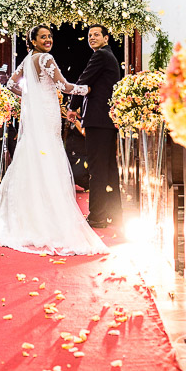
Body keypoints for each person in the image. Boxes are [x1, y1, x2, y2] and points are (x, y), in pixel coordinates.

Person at [0, 24, 106, 255]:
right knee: (49, 157)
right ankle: (48, 218)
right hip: (47, 115)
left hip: (36, 116)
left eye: (50, 36)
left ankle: (26, 216)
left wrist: (30, 96)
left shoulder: (28, 59)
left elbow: (10, 84)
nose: (48, 40)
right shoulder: (46, 58)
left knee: (32, 157)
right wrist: (88, 89)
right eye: (43, 37)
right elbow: (65, 86)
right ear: (33, 41)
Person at [67, 25, 122, 228]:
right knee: (108, 170)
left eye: (96, 35)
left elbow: (84, 81)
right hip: (105, 121)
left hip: (98, 121)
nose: (92, 38)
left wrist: (72, 107)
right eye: (89, 35)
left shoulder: (101, 56)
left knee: (98, 170)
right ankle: (114, 215)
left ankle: (97, 216)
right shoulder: (108, 56)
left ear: (106, 38)